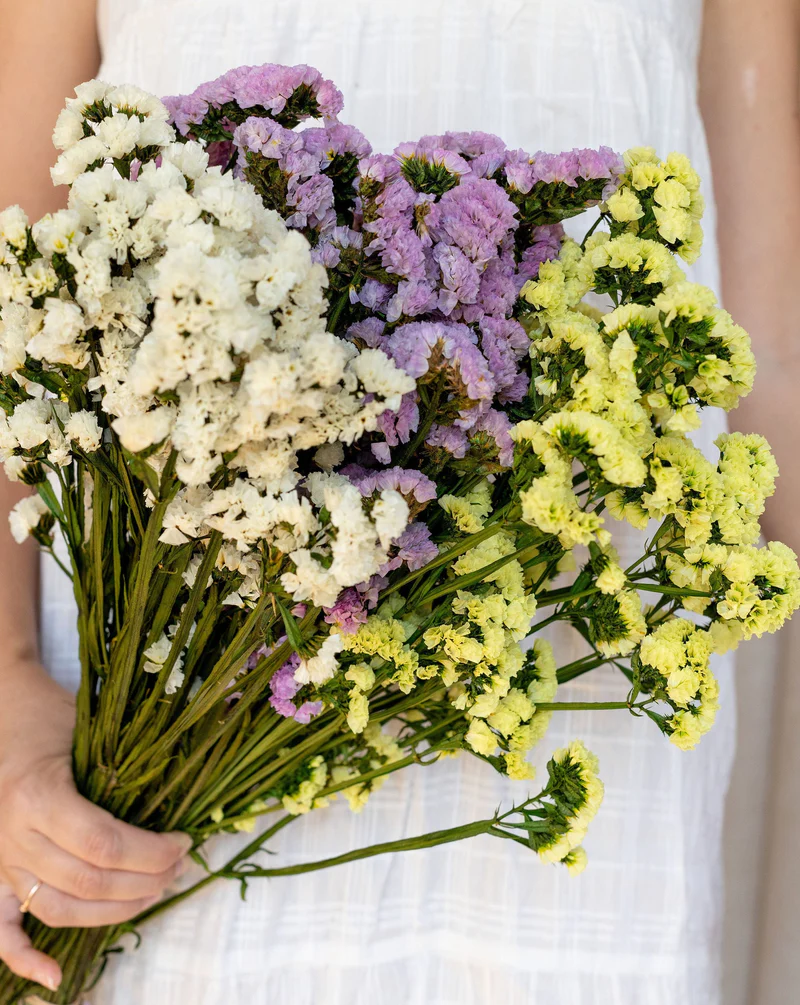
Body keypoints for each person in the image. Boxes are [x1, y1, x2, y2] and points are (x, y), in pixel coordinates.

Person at [0, 1, 798, 1002]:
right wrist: (5, 696)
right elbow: (15, 278)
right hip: (161, 692)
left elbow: (768, 354)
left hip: (565, 699)